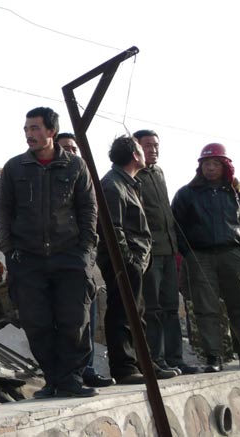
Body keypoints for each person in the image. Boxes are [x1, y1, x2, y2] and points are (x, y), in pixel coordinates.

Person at [0, 108, 99, 398]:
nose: (30, 134)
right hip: (27, 259)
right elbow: (3, 210)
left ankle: (71, 380)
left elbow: (88, 209)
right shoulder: (15, 168)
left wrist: (85, 251)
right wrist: (9, 248)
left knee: (74, 321)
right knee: (36, 323)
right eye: (27, 128)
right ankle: (52, 380)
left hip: (69, 256)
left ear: (51, 132)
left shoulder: (75, 167)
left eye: (36, 128)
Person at [97, 135, 178, 385]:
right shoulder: (113, 185)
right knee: (122, 312)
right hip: (123, 262)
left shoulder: (129, 183)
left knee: (137, 313)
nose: (146, 153)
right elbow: (113, 229)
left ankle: (144, 362)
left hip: (136, 261)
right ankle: (124, 367)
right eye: (141, 150)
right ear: (135, 155)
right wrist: (129, 260)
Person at [171, 143, 240, 373]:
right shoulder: (187, 194)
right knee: (206, 309)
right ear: (200, 167)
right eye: (206, 164)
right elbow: (176, 225)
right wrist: (188, 252)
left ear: (225, 166)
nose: (211, 168)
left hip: (233, 254)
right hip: (201, 256)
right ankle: (213, 356)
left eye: (215, 163)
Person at [133, 129, 202, 375]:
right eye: (148, 145)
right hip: (150, 253)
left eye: (155, 145)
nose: (153, 150)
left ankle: (175, 358)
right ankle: (156, 359)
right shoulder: (134, 175)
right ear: (137, 148)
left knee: (172, 307)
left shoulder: (158, 173)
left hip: (169, 249)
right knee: (153, 309)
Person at [56, 132, 116, 388]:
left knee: (86, 318)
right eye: (65, 148)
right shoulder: (45, 178)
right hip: (56, 259)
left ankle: (86, 369)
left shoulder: (87, 179)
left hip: (83, 258)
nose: (70, 152)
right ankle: (64, 374)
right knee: (62, 321)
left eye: (73, 148)